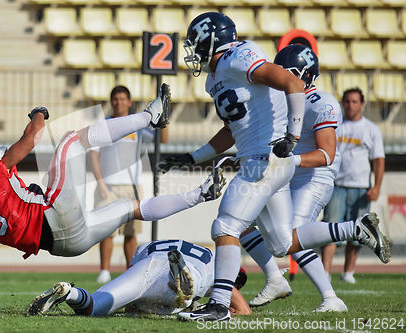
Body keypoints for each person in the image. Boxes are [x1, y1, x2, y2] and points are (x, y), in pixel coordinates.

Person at [158, 12, 390, 321]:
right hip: (264, 159)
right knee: (282, 243)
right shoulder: (216, 77)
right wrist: (192, 158)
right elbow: (232, 130)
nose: (193, 50)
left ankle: (218, 305)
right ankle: (355, 228)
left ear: (211, 39)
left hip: (265, 158)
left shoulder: (237, 56)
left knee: (226, 226)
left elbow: (292, 82)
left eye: (196, 43)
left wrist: (293, 136)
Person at [0, 84, 226, 260]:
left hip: (65, 247)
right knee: (69, 140)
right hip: (51, 214)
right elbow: (31, 139)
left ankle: (201, 194)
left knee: (130, 209)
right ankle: (148, 117)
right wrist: (38, 113)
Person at [238, 45, 347, 312]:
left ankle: (333, 293)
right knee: (239, 222)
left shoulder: (319, 103)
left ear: (304, 75)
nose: (280, 78)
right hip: (284, 177)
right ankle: (275, 279)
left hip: (313, 177)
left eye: (287, 73)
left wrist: (290, 160)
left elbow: (326, 155)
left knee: (293, 237)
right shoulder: (278, 103)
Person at [28, 239, 252, 317]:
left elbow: (131, 307)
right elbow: (243, 310)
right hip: (188, 270)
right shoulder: (218, 265)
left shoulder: (149, 246)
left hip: (148, 262)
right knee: (182, 302)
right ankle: (179, 283)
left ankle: (69, 292)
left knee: (95, 307)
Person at [90, 85, 168, 284]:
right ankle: (104, 271)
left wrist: (165, 113)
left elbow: (163, 139)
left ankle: (129, 271)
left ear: (129, 102)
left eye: (123, 99)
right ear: (111, 102)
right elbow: (94, 155)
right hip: (107, 186)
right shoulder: (103, 125)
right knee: (106, 232)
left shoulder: (138, 125)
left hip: (132, 187)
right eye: (115, 99)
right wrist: (100, 182)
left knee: (130, 234)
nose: (119, 102)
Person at [321, 87, 385, 284]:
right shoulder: (336, 126)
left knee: (358, 233)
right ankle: (324, 273)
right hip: (337, 185)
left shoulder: (371, 129)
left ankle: (348, 272)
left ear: (362, 104)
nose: (350, 105)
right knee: (330, 230)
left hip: (360, 188)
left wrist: (376, 187)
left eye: (355, 102)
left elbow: (378, 160)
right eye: (347, 101)